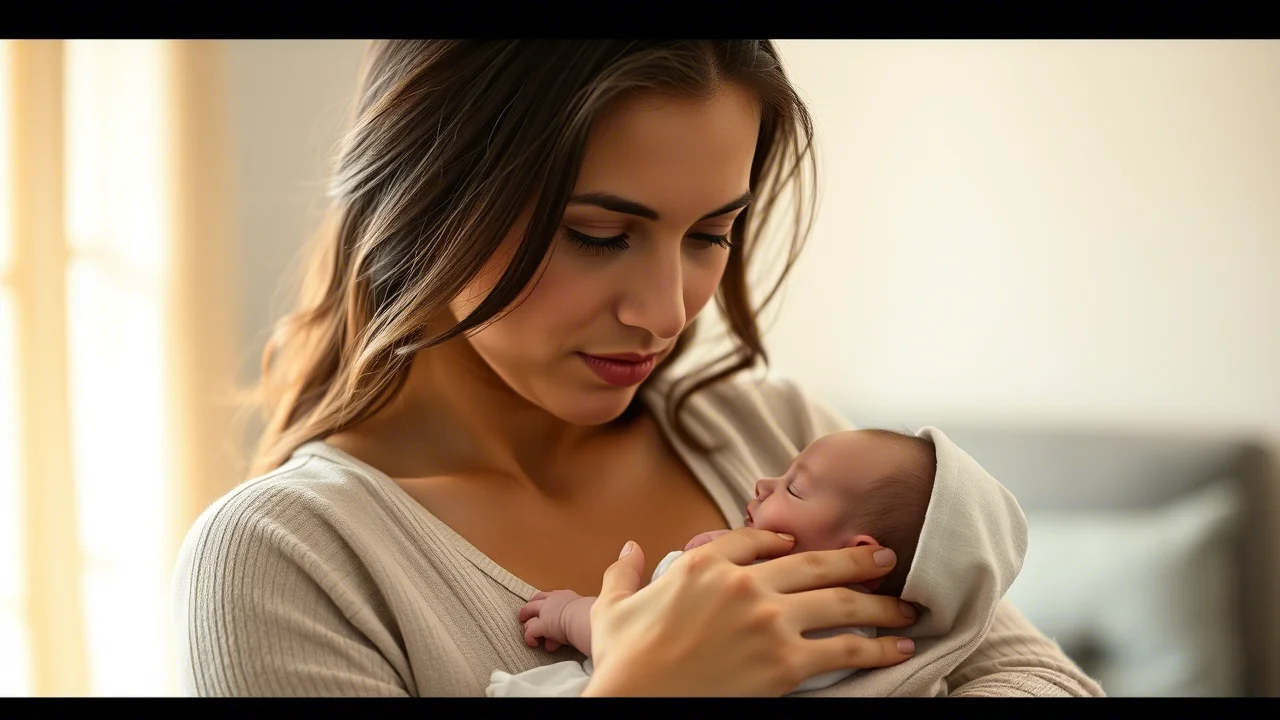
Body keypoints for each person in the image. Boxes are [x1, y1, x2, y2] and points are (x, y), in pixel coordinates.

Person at [171, 39, 1105, 697]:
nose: (665, 313)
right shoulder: (287, 560)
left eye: (710, 234)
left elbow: (1038, 679)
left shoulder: (778, 434)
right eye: (598, 234)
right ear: (426, 198)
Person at [487, 427, 1028, 697]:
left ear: (862, 557)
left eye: (794, 488)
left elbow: (626, 630)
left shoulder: (766, 607)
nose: (762, 482)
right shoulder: (877, 649)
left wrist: (570, 614)